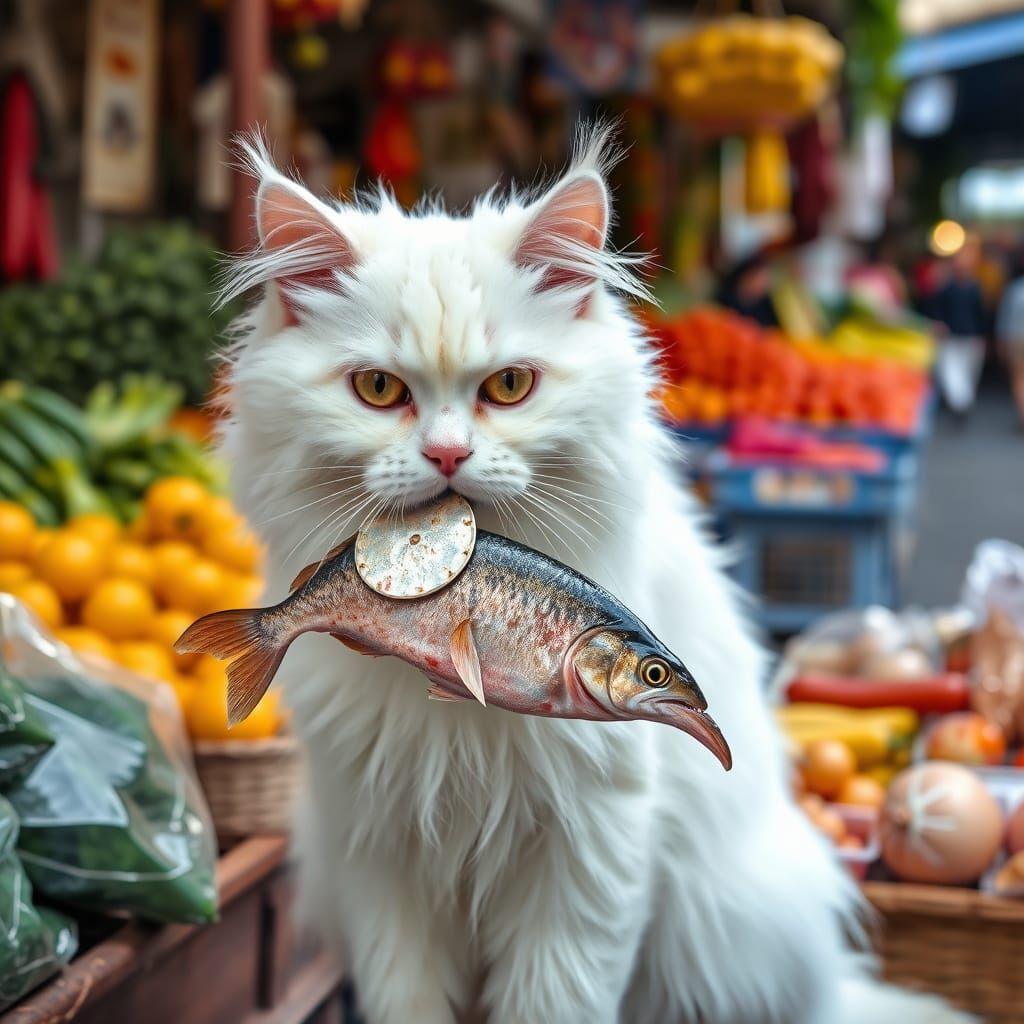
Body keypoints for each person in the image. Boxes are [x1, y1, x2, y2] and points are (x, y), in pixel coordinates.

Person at [920, 243, 987, 418]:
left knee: (962, 370)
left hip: (967, 335)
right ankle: (961, 401)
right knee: (953, 370)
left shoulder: (971, 288)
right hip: (955, 334)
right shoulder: (950, 288)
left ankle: (961, 400)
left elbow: (980, 312)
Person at [996, 249, 1024, 427]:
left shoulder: (1015, 289)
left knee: (1019, 379)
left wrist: (1001, 342)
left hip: (1016, 338)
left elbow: (1005, 318)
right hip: (1016, 338)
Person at [715, 251, 778, 327]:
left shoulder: (765, 313)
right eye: (756, 279)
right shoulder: (725, 295)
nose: (759, 285)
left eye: (765, 282)